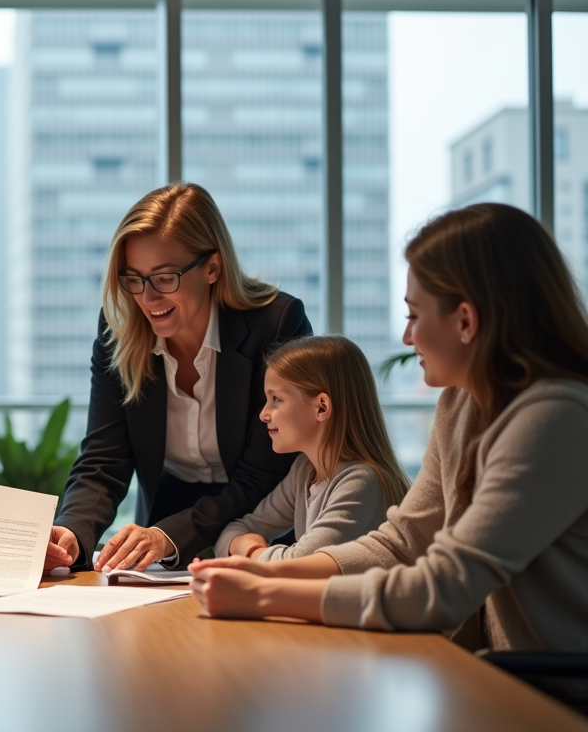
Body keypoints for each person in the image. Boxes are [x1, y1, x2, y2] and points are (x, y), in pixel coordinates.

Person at [189, 203, 588, 655]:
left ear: (465, 321)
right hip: (491, 671)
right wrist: (266, 572)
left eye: (414, 316)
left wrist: (266, 593)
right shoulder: (459, 403)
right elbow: (403, 542)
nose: (407, 338)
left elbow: (444, 586)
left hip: (553, 695)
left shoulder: (555, 417)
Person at [46, 183, 312, 573]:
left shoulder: (276, 324)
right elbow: (104, 459)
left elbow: (265, 473)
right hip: (165, 533)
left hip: (260, 532)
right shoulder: (118, 331)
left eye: (165, 277)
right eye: (133, 279)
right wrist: (72, 531)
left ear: (212, 268)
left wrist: (168, 535)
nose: (148, 299)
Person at [214, 335, 411, 562]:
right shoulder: (304, 471)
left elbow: (299, 564)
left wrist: (249, 550)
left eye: (276, 399)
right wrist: (239, 542)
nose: (263, 414)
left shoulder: (361, 482)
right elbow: (233, 533)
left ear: (322, 407)